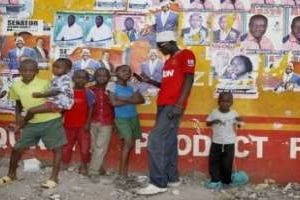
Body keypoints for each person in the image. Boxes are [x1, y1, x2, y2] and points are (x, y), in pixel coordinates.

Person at [136, 31, 196, 195]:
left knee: (155, 141)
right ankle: (172, 179)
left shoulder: (186, 54)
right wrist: (148, 81)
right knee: (168, 141)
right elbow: (167, 86)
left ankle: (158, 182)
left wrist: (179, 105)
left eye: (161, 47)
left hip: (172, 106)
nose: (160, 51)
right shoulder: (169, 62)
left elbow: (189, 80)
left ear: (169, 43)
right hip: (164, 105)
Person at [0, 59, 66, 189]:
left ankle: (54, 178)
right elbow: (18, 103)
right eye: (24, 70)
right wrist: (18, 118)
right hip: (31, 122)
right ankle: (11, 175)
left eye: (31, 70)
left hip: (51, 121)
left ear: (37, 71)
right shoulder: (16, 85)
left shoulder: (46, 84)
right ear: (19, 71)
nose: (28, 73)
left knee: (57, 149)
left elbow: (58, 101)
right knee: (17, 148)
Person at [106, 64, 145, 181]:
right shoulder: (112, 85)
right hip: (121, 118)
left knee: (128, 144)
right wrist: (131, 100)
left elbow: (141, 100)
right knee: (128, 142)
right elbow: (114, 103)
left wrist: (123, 98)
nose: (126, 73)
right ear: (116, 73)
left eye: (128, 71)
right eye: (123, 71)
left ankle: (124, 172)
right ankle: (121, 174)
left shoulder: (132, 85)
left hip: (133, 117)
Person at [19, 58, 74, 128]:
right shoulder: (56, 78)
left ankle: (22, 124)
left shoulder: (65, 79)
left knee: (31, 110)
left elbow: (56, 91)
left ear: (67, 70)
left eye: (58, 67)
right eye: (54, 66)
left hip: (58, 104)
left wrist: (41, 95)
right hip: (53, 102)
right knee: (31, 107)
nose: (54, 69)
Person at [205, 92, 242, 189]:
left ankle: (226, 181)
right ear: (218, 102)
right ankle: (215, 180)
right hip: (216, 142)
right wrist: (213, 121)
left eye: (228, 101)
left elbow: (239, 125)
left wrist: (239, 120)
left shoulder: (234, 113)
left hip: (229, 143)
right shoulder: (214, 112)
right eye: (222, 101)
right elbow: (207, 123)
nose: (225, 103)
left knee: (227, 163)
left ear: (231, 102)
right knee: (214, 162)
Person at [62, 70, 94, 176]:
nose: (81, 80)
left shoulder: (88, 93)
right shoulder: (68, 92)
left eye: (84, 78)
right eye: (78, 77)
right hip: (68, 125)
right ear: (73, 78)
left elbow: (91, 108)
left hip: (83, 126)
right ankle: (64, 164)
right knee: (66, 146)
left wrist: (88, 123)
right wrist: (60, 121)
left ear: (87, 80)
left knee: (85, 148)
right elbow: (63, 108)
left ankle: (84, 165)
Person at [88, 68, 114, 183]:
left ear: (109, 77)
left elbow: (114, 107)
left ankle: (93, 171)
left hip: (106, 122)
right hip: (92, 121)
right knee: (94, 147)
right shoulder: (90, 90)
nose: (102, 78)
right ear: (95, 77)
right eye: (99, 75)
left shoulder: (111, 90)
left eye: (104, 76)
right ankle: (100, 167)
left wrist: (115, 122)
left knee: (100, 147)